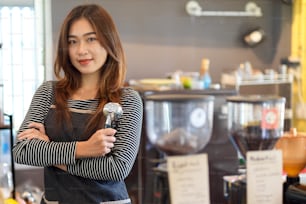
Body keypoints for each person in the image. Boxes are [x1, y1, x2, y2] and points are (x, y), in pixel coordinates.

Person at [12, 4, 143, 204]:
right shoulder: (48, 93)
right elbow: (22, 151)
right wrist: (84, 149)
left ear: (109, 41)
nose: (81, 50)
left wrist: (50, 151)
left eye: (90, 39)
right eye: (72, 42)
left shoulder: (127, 100)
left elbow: (116, 169)